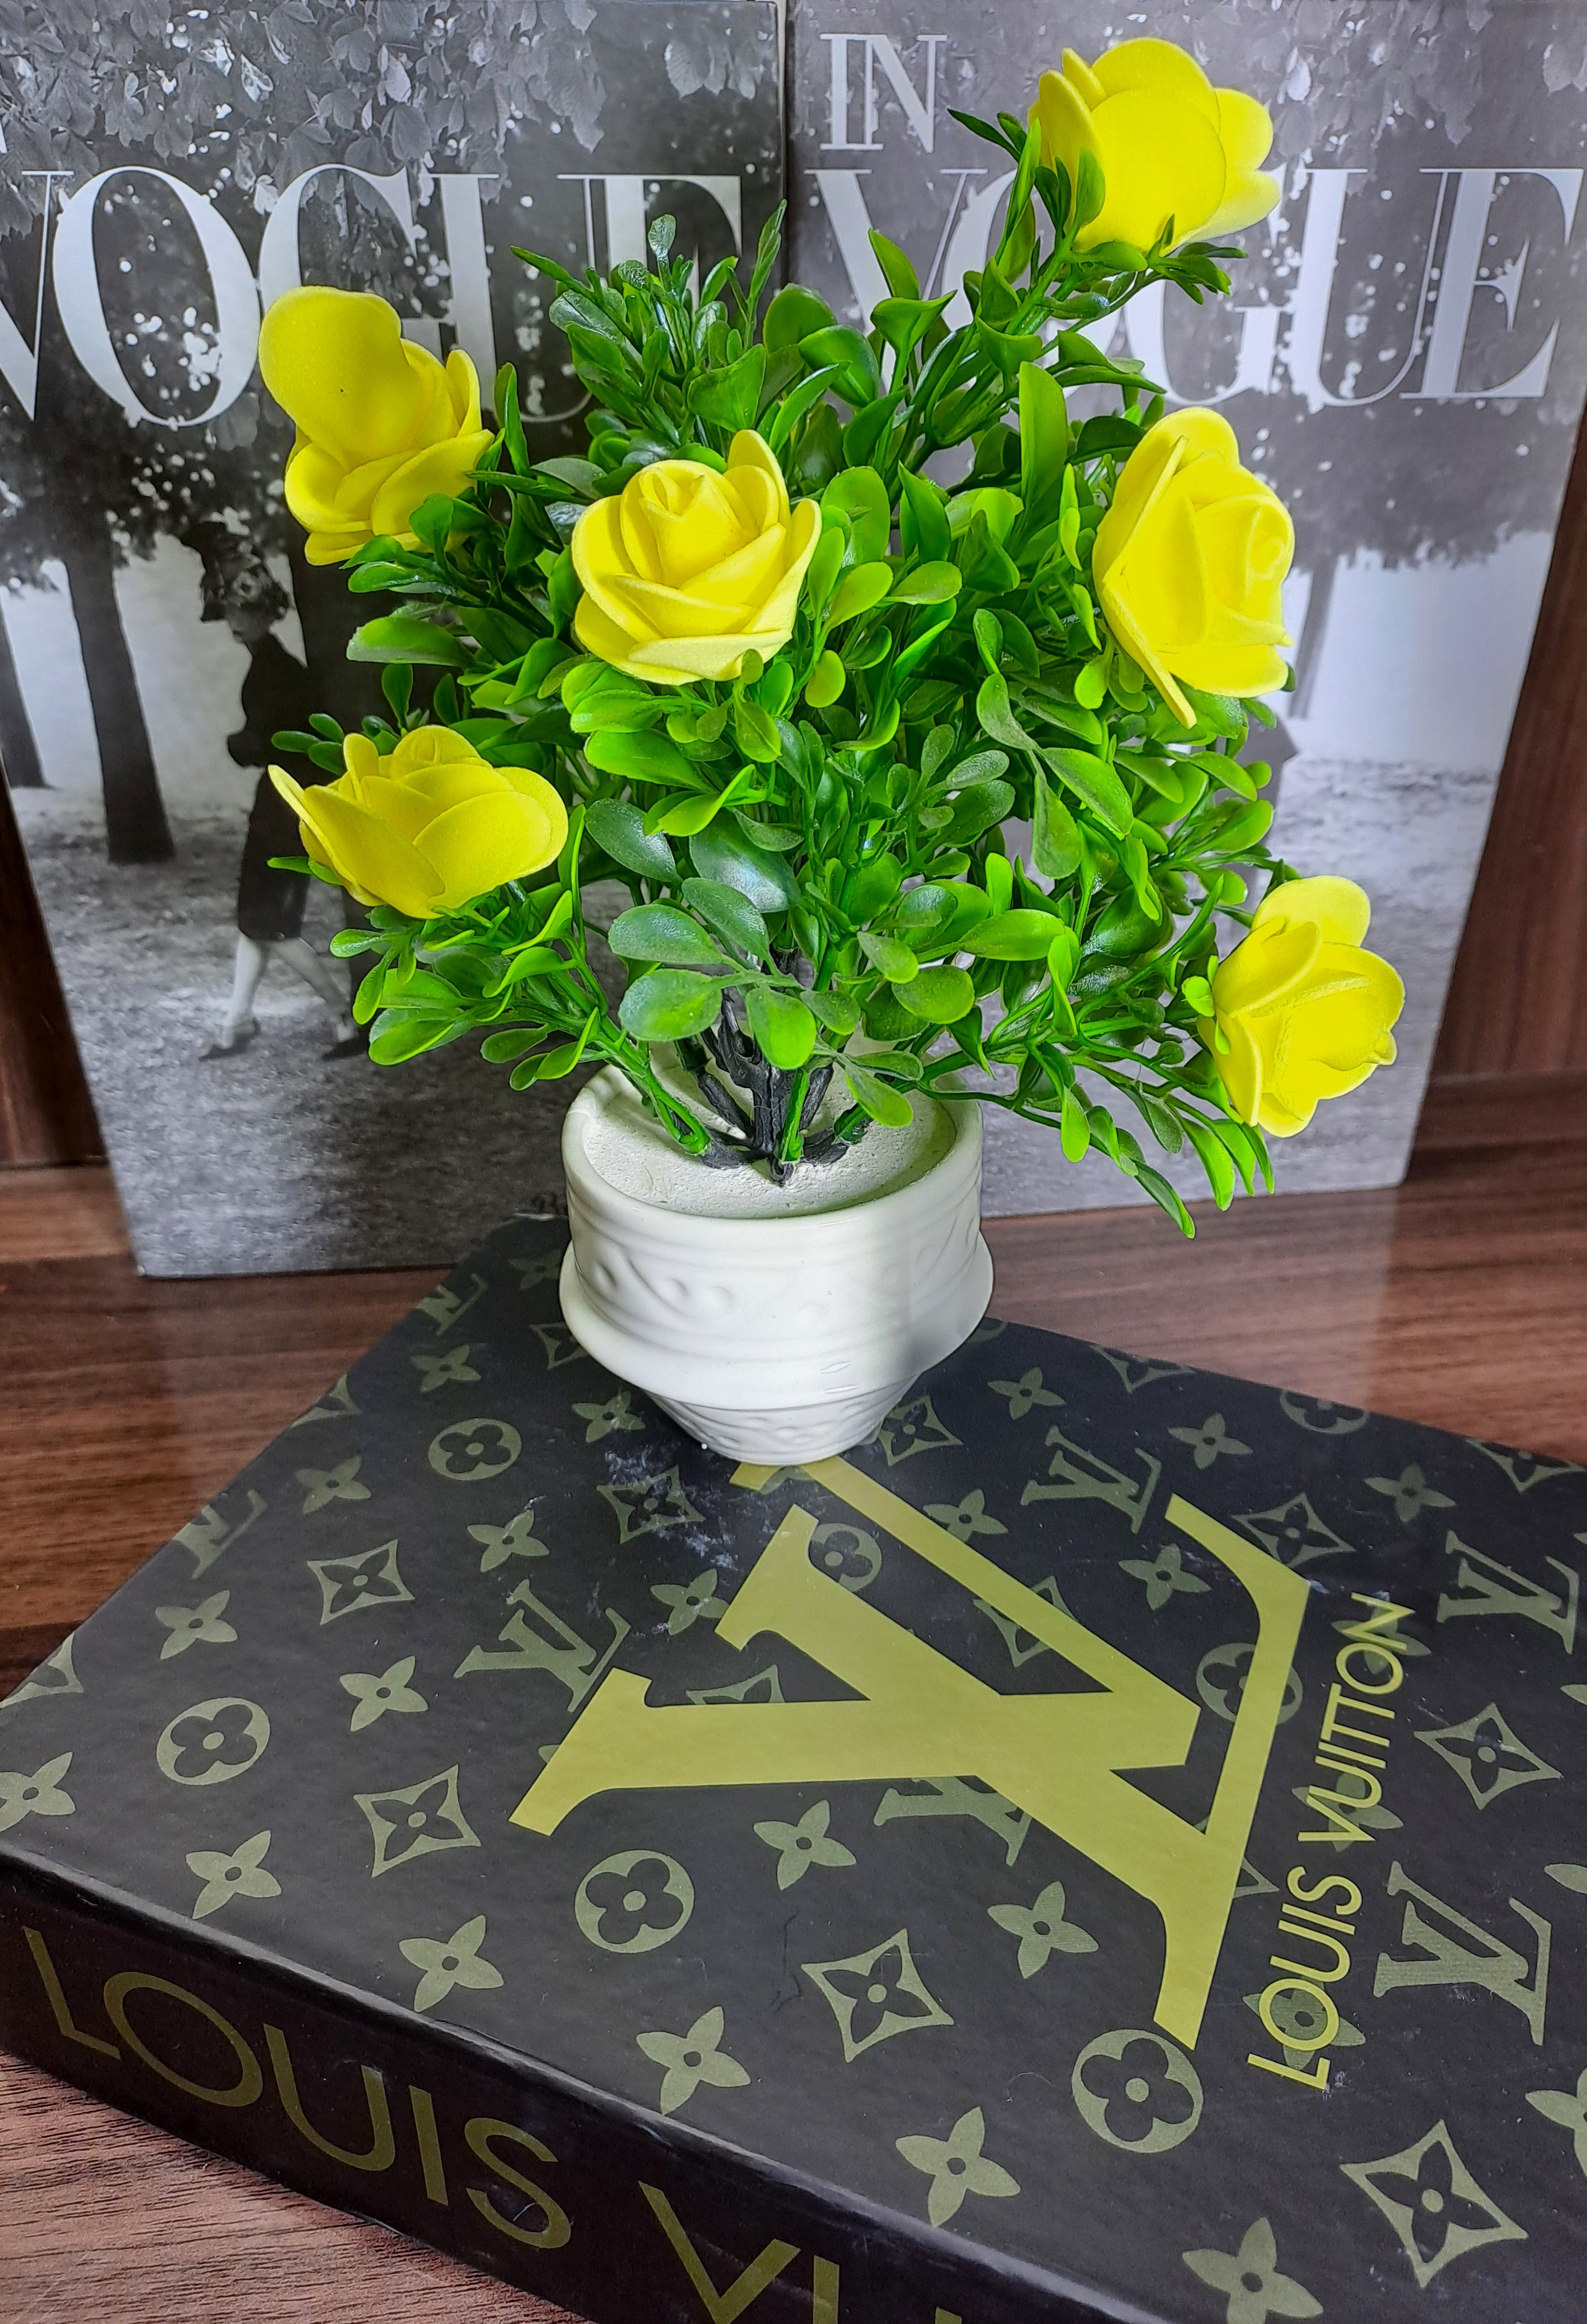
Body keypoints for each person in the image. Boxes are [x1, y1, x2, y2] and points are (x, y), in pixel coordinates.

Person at [193, 530, 363, 1060]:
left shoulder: (277, 672)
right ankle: (236, 1022)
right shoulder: (272, 668)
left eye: (246, 610)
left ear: (268, 613)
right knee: (257, 920)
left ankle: (343, 1019)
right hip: (281, 799)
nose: (235, 621)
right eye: (230, 611)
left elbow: (264, 741)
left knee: (270, 923)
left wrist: (236, 744)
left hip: (288, 803)